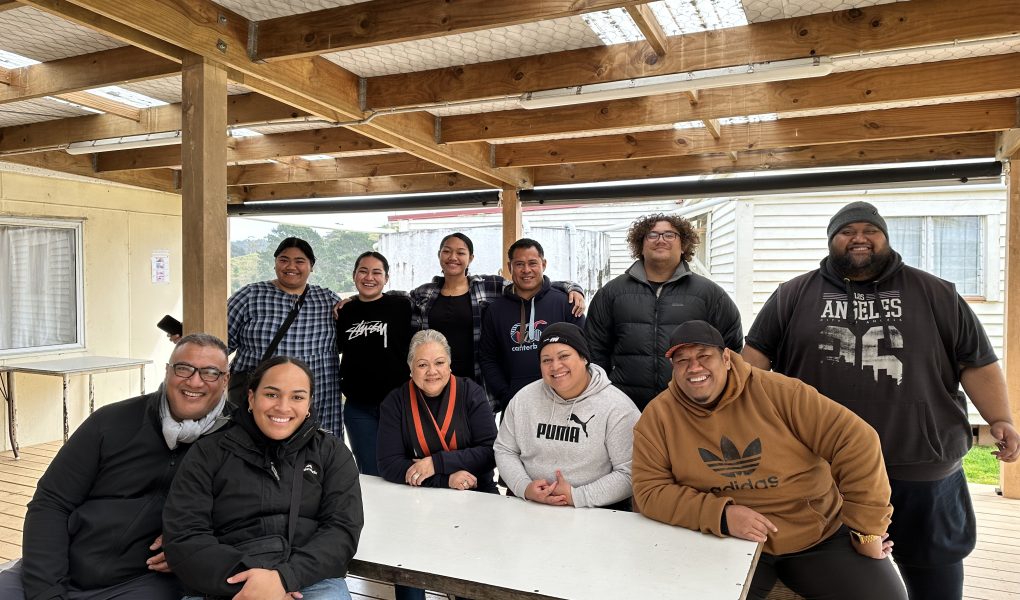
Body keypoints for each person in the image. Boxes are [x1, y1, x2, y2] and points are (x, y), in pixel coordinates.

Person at [741, 201, 1019, 600]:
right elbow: (753, 361)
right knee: (848, 579)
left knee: (934, 571)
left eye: (870, 230)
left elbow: (975, 361)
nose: (859, 238)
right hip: (824, 468)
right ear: (831, 240)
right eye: (846, 231)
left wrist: (1000, 418)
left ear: (886, 238)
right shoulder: (793, 294)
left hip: (921, 463)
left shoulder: (935, 292)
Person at [632, 321, 906, 600]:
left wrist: (866, 532)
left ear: (726, 358)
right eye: (682, 361)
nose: (694, 367)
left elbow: (857, 440)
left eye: (704, 356)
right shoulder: (658, 416)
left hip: (814, 535)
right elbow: (649, 491)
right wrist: (721, 516)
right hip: (723, 540)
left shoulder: (781, 393)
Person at [0, 334, 232, 600]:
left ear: (225, 379)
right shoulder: (112, 421)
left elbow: (251, 518)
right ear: (168, 371)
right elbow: (51, 502)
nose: (194, 381)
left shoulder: (235, 440)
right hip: (59, 567)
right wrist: (47, 590)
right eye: (183, 368)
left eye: (210, 373)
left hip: (142, 582)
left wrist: (193, 547)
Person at [163, 356, 364, 600]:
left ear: (309, 404)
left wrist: (283, 579)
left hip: (308, 580)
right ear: (251, 397)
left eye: (297, 397)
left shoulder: (331, 452)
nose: (283, 407)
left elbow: (342, 530)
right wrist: (257, 586)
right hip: (224, 582)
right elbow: (185, 535)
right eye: (271, 394)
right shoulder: (209, 452)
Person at [376, 329, 498, 600]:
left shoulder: (471, 392)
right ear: (410, 368)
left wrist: (436, 463)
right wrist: (446, 478)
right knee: (406, 564)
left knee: (474, 578)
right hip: (418, 502)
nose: (432, 371)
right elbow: (389, 464)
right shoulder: (395, 401)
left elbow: (491, 452)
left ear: (450, 364)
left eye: (439, 362)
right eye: (422, 364)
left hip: (475, 496)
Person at [585, 213, 743, 411]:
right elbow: (594, 350)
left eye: (670, 235)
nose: (661, 240)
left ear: (683, 245)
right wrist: (606, 396)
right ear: (640, 246)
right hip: (625, 407)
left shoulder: (709, 294)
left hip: (690, 407)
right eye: (652, 235)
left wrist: (712, 393)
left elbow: (731, 348)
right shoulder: (612, 293)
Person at [408, 232, 585, 388]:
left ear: (470, 258)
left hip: (475, 380)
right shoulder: (423, 293)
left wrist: (573, 288)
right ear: (439, 254)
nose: (453, 257)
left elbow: (530, 284)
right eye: (447, 251)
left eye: (461, 253)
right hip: (434, 377)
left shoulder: (488, 286)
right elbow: (409, 330)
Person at [495, 322, 639, 510]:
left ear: (584, 358)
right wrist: (524, 487)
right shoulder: (523, 399)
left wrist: (577, 496)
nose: (555, 366)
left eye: (564, 356)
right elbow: (504, 449)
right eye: (546, 360)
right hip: (530, 506)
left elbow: (630, 473)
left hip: (594, 511)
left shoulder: (618, 407)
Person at [228, 237, 343, 434]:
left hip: (320, 401)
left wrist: (355, 300)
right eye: (284, 260)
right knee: (255, 448)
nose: (291, 266)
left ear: (311, 266)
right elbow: (219, 343)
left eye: (299, 261)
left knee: (320, 450)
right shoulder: (250, 296)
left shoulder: (327, 300)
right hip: (264, 400)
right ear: (275, 263)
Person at [479, 238, 586, 414]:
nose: (526, 270)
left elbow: (585, 351)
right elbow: (488, 358)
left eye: (532, 263)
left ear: (544, 264)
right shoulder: (495, 310)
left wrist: (573, 392)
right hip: (515, 405)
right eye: (519, 264)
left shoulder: (566, 303)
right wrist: (506, 395)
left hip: (565, 403)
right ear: (509, 266)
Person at [336, 251, 412, 475]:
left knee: (402, 469)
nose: (369, 277)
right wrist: (349, 301)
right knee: (369, 471)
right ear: (354, 275)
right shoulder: (344, 311)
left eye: (377, 272)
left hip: (399, 405)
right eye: (363, 271)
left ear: (386, 278)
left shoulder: (402, 306)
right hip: (358, 406)